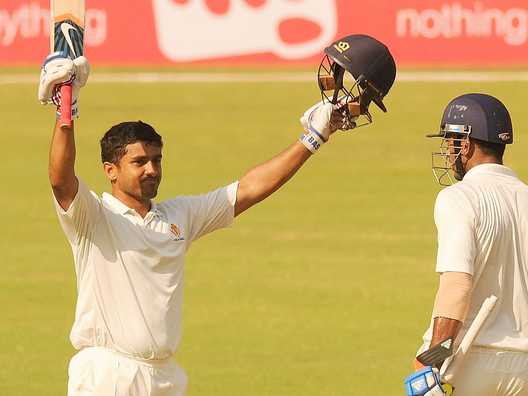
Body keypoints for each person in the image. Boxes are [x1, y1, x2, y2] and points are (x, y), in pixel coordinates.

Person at [37, 52, 367, 395]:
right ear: (111, 171)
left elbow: (248, 190)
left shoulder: (179, 216)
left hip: (165, 376)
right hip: (108, 374)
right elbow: (61, 179)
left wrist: (313, 137)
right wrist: (66, 114)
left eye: (156, 160)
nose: (151, 170)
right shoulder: (93, 218)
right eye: (139, 162)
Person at [404, 94, 528, 396]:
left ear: (466, 145)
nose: (448, 150)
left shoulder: (459, 198)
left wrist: (429, 363)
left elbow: (456, 288)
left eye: (450, 141)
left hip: (467, 366)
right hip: (518, 373)